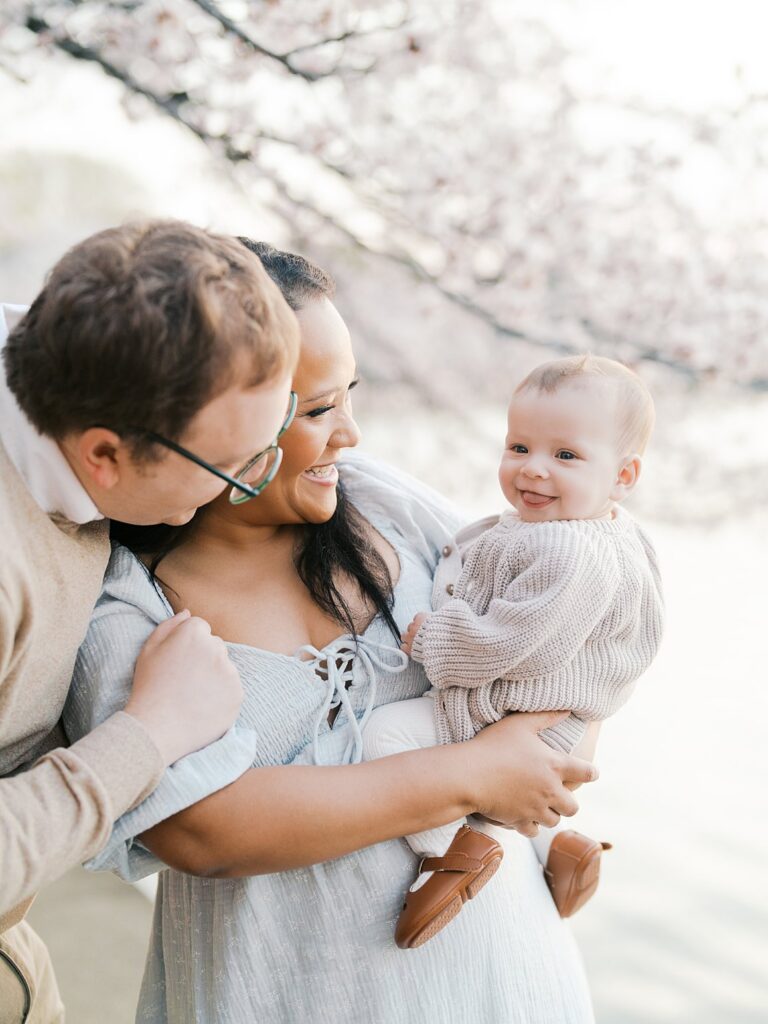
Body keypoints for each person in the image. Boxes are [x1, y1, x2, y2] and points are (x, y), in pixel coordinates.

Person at [65, 242, 599, 1024]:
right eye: (316, 411)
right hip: (287, 995)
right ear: (205, 420)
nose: (349, 433)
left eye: (349, 395)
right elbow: (200, 827)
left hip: (507, 982)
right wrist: (473, 775)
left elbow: (567, 631)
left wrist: (537, 781)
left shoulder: (388, 506)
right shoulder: (123, 600)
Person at [0, 220, 300, 1023]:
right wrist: (151, 732)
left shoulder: (83, 370)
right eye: (232, 468)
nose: (250, 485)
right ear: (104, 456)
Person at [363, 355, 664, 949]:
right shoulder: (608, 531)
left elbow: (513, 641)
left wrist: (437, 641)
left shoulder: (568, 553)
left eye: (566, 456)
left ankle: (452, 851)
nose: (534, 471)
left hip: (517, 712)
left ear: (624, 476)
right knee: (519, 793)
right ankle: (558, 844)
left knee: (385, 739)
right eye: (519, 447)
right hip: (561, 716)